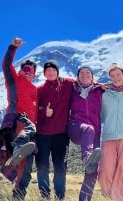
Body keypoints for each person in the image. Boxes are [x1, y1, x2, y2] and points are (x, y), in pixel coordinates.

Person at [0, 37, 38, 200]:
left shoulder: (36, 91)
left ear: (34, 75)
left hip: (31, 129)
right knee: (21, 149)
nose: (27, 71)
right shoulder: (14, 81)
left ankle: (18, 194)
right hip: (16, 120)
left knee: (26, 165)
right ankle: (17, 149)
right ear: (21, 70)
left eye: (30, 70)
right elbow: (6, 66)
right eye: (25, 68)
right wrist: (12, 48)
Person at [35, 60, 74, 200]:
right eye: (47, 70)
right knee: (42, 167)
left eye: (53, 70)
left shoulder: (67, 84)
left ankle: (60, 197)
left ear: (57, 71)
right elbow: (33, 110)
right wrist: (43, 112)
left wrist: (101, 86)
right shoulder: (39, 90)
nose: (50, 72)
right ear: (44, 73)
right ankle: (45, 196)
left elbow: (85, 81)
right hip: (41, 135)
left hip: (61, 135)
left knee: (60, 167)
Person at [98, 63, 123, 201]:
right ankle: (108, 197)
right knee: (105, 171)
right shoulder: (104, 95)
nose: (115, 78)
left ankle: (122, 198)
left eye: (118, 75)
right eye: (112, 76)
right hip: (108, 136)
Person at [67, 65, 104, 201]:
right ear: (77, 77)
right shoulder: (72, 90)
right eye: (82, 73)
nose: (85, 74)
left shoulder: (99, 90)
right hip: (76, 127)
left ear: (93, 77)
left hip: (95, 132)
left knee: (93, 170)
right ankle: (86, 156)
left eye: (88, 72)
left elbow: (117, 86)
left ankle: (84, 199)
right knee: (88, 129)